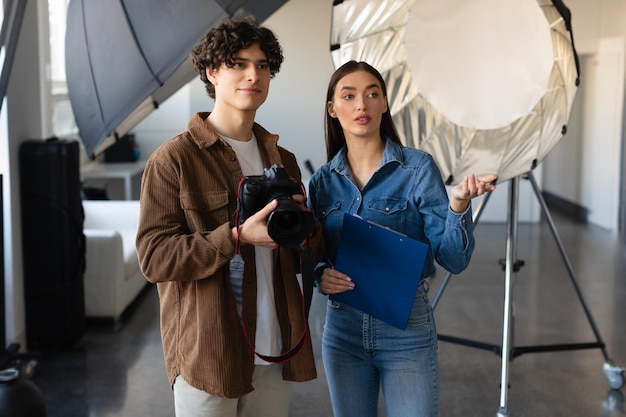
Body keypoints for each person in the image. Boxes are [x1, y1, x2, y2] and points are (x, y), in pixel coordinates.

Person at [136, 15, 321, 417]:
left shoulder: (282, 159)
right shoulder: (174, 160)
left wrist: (305, 229)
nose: (253, 74)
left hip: (275, 348)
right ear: (212, 72)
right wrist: (235, 237)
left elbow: (297, 252)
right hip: (210, 353)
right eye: (238, 63)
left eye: (263, 66)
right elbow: (154, 258)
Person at [308, 60, 497, 417]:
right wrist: (319, 273)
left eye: (372, 94)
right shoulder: (321, 182)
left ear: (384, 104)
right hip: (342, 328)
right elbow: (311, 253)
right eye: (349, 96)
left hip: (407, 329)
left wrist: (457, 206)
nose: (361, 104)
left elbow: (453, 259)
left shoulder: (417, 169)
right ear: (333, 109)